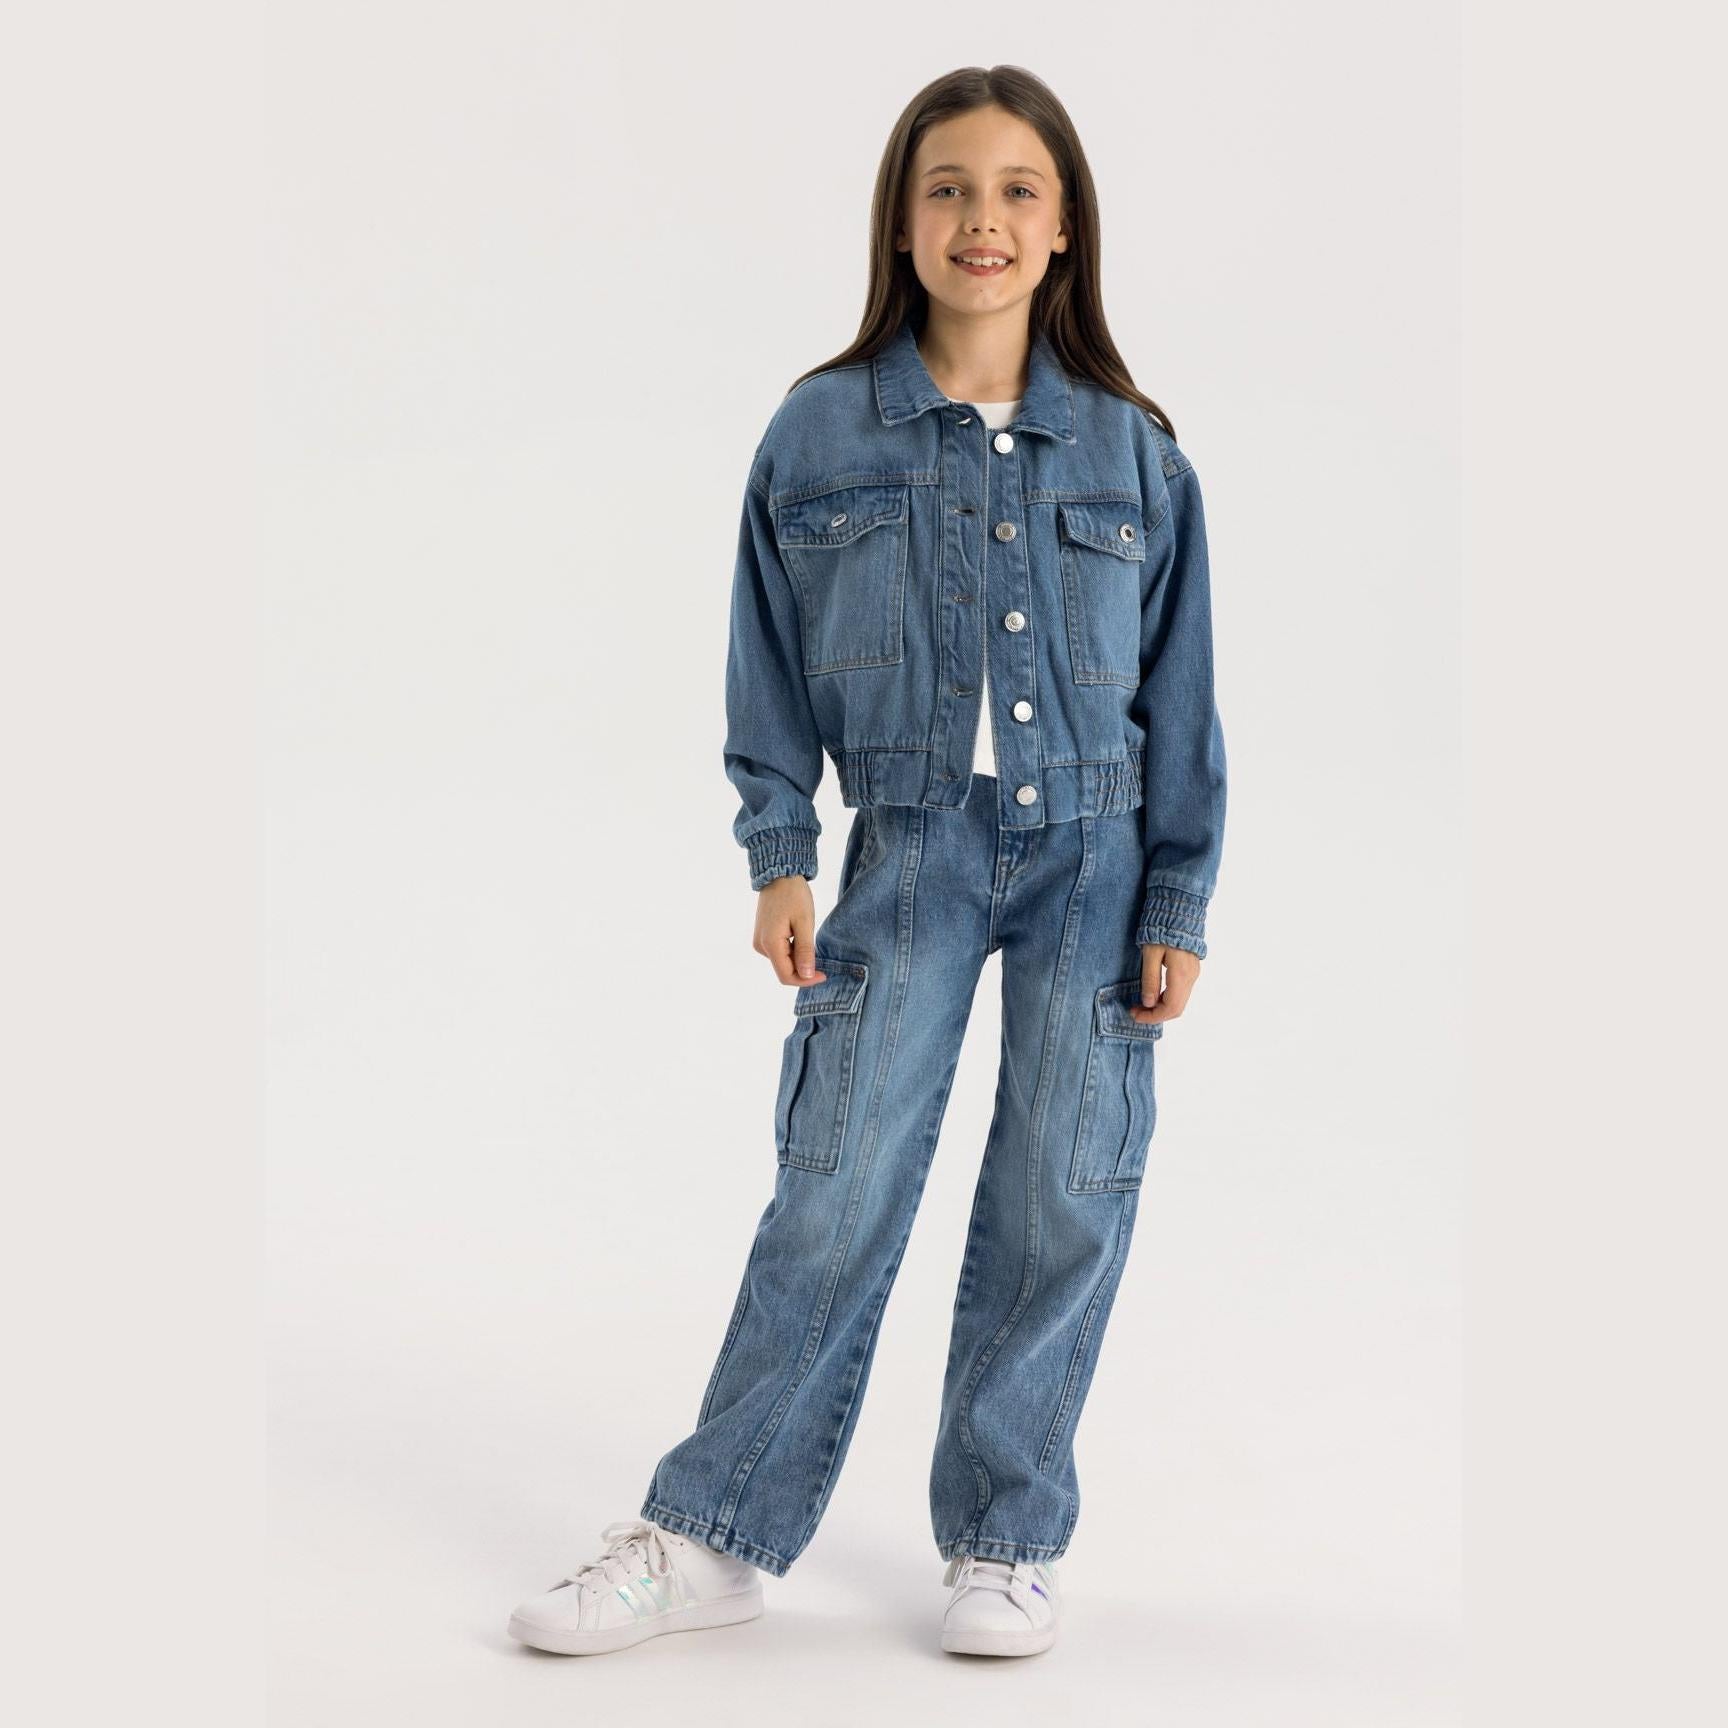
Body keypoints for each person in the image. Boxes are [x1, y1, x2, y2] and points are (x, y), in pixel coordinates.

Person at [507, 62, 1226, 1661]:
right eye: (949, 188)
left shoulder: (1134, 454)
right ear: (902, 225)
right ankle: (716, 1533)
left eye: (1018, 190)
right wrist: (778, 849)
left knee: (1063, 1200)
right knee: (834, 1192)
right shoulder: (818, 428)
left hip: (1095, 873)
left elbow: (1185, 701)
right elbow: (762, 661)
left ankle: (1005, 1538)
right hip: (903, 857)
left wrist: (1178, 896)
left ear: (1064, 231)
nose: (984, 217)